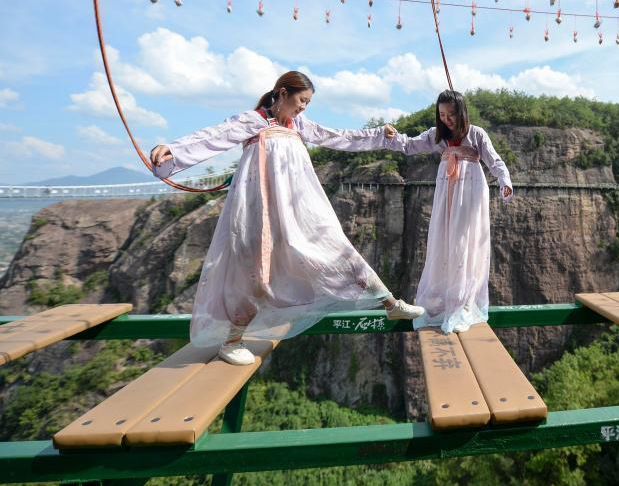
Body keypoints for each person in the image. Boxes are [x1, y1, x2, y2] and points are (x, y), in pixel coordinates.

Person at [150, 71, 424, 365]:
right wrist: (174, 150)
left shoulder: (299, 125)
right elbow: (214, 136)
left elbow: (339, 137)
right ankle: (232, 340)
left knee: (336, 248)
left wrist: (377, 134)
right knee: (255, 269)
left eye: (307, 102)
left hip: (301, 207)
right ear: (282, 93)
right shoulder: (254, 121)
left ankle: (390, 303)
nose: (303, 107)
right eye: (301, 100)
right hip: (261, 208)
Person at [383, 90, 513, 333]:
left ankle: (462, 304)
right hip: (447, 193)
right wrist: (393, 135)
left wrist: (504, 182)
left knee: (464, 243)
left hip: (470, 192)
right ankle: (443, 302)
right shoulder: (436, 135)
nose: (447, 119)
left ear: (461, 112)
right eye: (442, 114)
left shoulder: (476, 134)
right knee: (444, 241)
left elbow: (495, 162)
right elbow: (410, 145)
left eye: (451, 114)